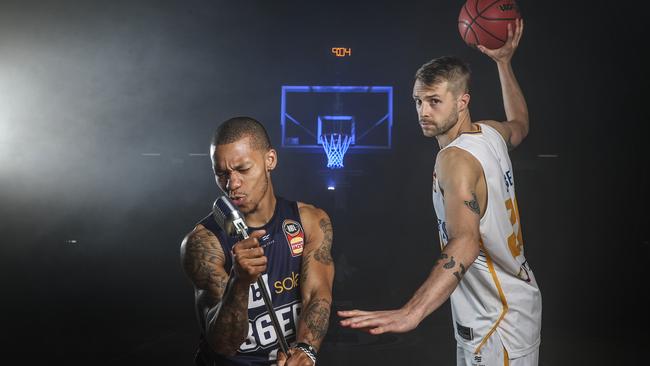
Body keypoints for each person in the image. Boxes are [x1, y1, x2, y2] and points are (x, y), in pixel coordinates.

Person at [339, 20, 542, 365]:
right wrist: (504, 63)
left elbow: (465, 240)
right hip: (510, 309)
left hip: (495, 324)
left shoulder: (454, 159)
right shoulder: (490, 134)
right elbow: (520, 122)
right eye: (418, 101)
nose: (423, 111)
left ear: (462, 101)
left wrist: (411, 312)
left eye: (434, 101)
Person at [181, 117, 334, 366]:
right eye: (222, 174)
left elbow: (317, 294)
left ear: (269, 160)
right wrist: (238, 283)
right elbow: (223, 344)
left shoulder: (309, 221)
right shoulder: (204, 243)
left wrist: (306, 349)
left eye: (243, 169)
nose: (232, 185)